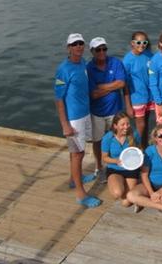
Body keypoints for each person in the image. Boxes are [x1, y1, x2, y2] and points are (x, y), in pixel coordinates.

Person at [54, 33, 101, 208]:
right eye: (74, 44)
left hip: (85, 113)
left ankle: (75, 178)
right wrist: (65, 124)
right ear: (68, 48)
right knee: (77, 154)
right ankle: (81, 194)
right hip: (74, 119)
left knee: (76, 152)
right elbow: (59, 99)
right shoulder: (63, 70)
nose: (78, 47)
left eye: (81, 43)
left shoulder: (82, 63)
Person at [86, 37, 126, 181]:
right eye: (98, 49)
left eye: (104, 49)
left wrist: (101, 86)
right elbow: (93, 94)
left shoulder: (115, 62)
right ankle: (99, 167)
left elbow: (121, 83)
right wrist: (112, 85)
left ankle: (117, 165)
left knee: (118, 138)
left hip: (115, 111)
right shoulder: (88, 68)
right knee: (97, 141)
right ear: (92, 51)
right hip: (97, 112)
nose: (102, 52)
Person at [126, 124, 162, 213]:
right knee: (130, 195)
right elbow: (144, 175)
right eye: (160, 136)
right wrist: (151, 193)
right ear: (155, 138)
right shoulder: (149, 151)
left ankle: (144, 202)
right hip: (150, 184)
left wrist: (161, 191)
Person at [101, 112, 142, 207]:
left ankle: (136, 188)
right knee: (117, 193)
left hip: (131, 168)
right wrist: (116, 161)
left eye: (128, 123)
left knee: (126, 203)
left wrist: (139, 160)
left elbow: (139, 150)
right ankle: (118, 183)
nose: (126, 127)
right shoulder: (108, 138)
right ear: (115, 126)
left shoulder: (134, 134)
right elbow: (104, 158)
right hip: (114, 169)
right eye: (122, 124)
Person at [123, 31, 154, 141]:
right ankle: (137, 148)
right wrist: (128, 105)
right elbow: (124, 84)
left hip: (150, 96)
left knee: (146, 124)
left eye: (144, 42)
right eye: (139, 42)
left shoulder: (149, 55)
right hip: (137, 98)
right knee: (140, 126)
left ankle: (144, 147)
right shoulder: (127, 60)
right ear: (132, 43)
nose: (142, 45)